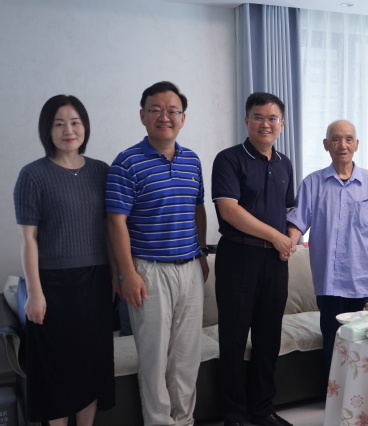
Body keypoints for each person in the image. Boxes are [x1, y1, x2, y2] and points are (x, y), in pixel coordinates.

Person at [106, 81, 209, 426]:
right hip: (148, 271)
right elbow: (115, 222)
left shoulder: (192, 160)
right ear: (143, 116)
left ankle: (185, 421)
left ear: (183, 118)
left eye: (172, 111)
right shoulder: (127, 162)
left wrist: (201, 254)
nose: (165, 117)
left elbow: (198, 209)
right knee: (154, 359)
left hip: (189, 268)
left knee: (186, 357)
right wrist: (128, 273)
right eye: (156, 110)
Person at [14, 95, 116, 425]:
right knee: (56, 369)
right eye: (59, 124)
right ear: (48, 129)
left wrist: (115, 276)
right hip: (52, 285)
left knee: (91, 364)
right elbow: (28, 239)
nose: (68, 130)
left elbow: (109, 231)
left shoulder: (102, 171)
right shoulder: (33, 175)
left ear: (85, 127)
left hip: (96, 282)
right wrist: (35, 292)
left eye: (75, 122)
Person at [286, 120, 368, 374]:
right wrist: (285, 251)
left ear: (356, 144)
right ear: (326, 145)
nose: (343, 145)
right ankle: (334, 393)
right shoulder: (312, 183)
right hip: (329, 280)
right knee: (334, 341)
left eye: (349, 139)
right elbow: (297, 223)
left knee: (366, 342)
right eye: (336, 139)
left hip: (363, 278)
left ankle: (364, 392)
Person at [211, 93, 295, 426]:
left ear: (282, 124)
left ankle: (262, 410)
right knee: (233, 338)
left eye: (272, 118)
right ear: (247, 121)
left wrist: (291, 239)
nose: (265, 124)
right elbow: (229, 210)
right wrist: (276, 236)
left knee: (268, 337)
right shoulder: (229, 159)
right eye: (258, 117)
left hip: (275, 261)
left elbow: (291, 210)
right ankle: (233, 415)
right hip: (238, 256)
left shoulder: (284, 162)